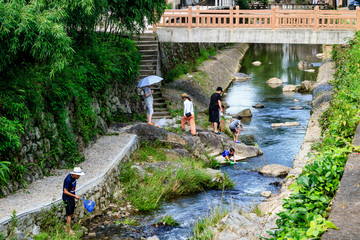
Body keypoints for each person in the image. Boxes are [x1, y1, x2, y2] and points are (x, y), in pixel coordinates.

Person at [62, 167, 85, 235]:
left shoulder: (74, 178)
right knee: (69, 214)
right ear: (74, 174)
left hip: (71, 198)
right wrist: (74, 196)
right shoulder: (68, 180)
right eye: (78, 175)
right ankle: (69, 230)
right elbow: (65, 191)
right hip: (67, 198)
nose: (79, 176)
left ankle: (67, 228)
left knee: (71, 213)